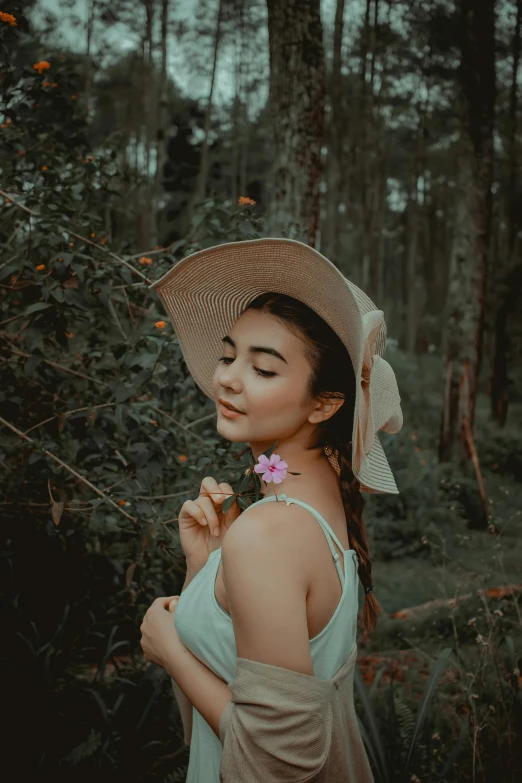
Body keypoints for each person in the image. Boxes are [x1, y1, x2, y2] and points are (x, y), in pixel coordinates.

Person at [140, 238, 403, 782]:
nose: (228, 379)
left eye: (263, 369)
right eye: (228, 354)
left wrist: (172, 651)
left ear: (326, 402)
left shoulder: (268, 533)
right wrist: (207, 567)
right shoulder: (319, 497)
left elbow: (276, 764)